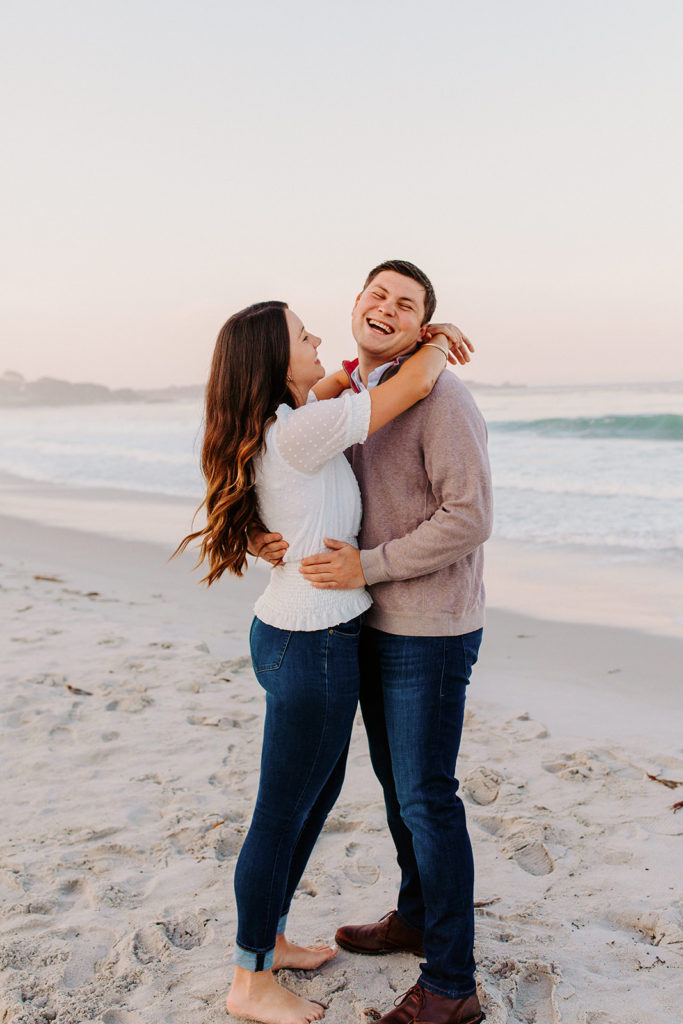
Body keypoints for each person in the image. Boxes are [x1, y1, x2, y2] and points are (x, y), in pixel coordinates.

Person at [175, 299, 465, 1024]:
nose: (320, 344)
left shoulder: (282, 424)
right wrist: (436, 340)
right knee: (280, 814)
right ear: (275, 363)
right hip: (312, 648)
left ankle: (267, 940)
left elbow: (338, 387)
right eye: (305, 338)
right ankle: (249, 980)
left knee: (309, 799)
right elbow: (408, 388)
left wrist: (334, 378)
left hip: (297, 635)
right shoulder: (301, 433)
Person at [259, 261, 492, 1024]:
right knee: (401, 794)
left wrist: (371, 565)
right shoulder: (349, 395)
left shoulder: (441, 397)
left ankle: (451, 985)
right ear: (356, 305)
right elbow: (298, 473)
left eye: (407, 303)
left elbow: (467, 518)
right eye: (376, 295)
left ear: (423, 322)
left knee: (428, 798)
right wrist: (268, 536)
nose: (385, 308)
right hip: (366, 621)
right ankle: (415, 916)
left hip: (427, 626)